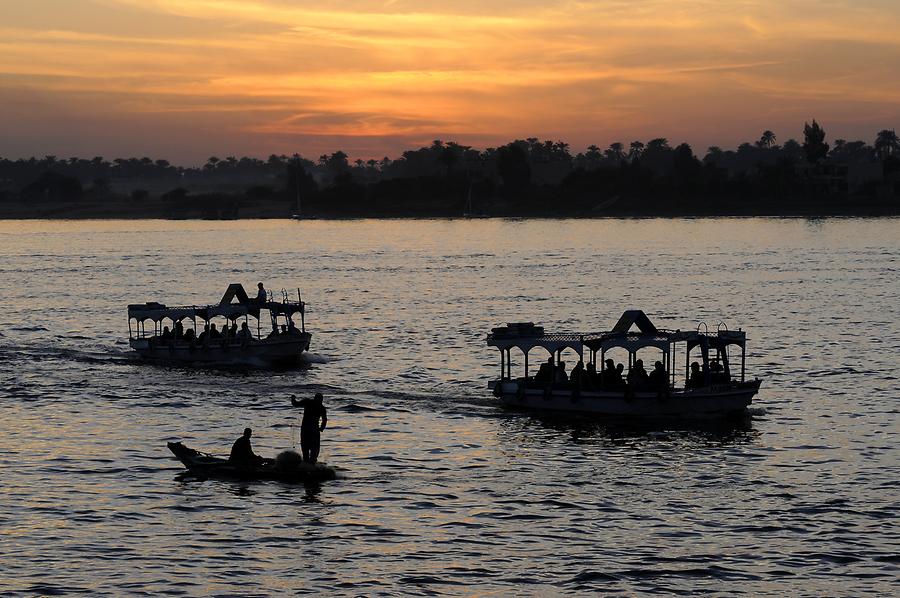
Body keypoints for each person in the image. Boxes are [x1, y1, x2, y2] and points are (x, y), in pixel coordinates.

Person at [291, 393, 328, 464]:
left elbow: (295, 404)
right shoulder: (321, 407)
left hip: (306, 429)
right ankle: (311, 465)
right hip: (314, 430)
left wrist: (293, 398)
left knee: (305, 448)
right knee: (314, 450)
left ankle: (306, 465)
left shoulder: (308, 402)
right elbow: (324, 420)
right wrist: (321, 428)